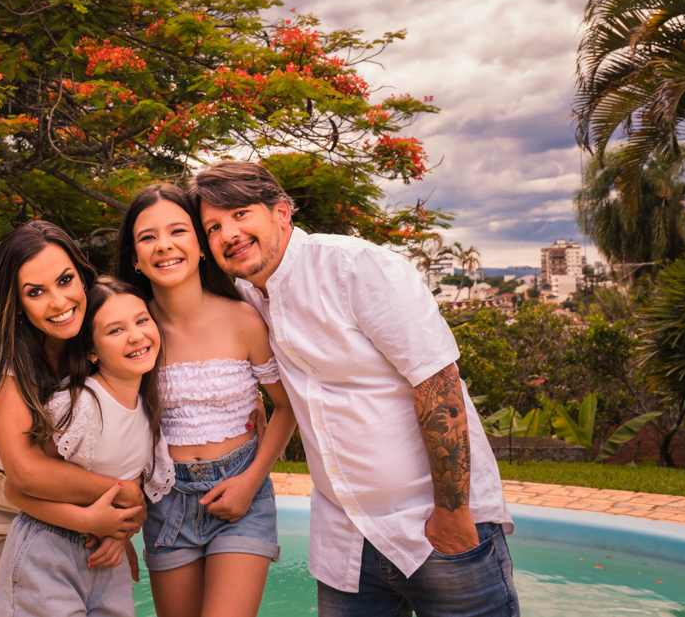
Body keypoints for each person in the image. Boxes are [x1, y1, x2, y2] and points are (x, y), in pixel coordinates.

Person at [188, 161, 519, 617]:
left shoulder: (354, 267)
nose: (228, 233)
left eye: (241, 213)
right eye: (213, 226)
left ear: (282, 213)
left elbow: (438, 383)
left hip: (434, 529)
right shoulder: (246, 300)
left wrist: (454, 516)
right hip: (345, 543)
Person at [0, 221, 147, 617]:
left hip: (71, 491)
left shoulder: (96, 326)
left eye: (65, 280)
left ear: (81, 274)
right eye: (35, 292)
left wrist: (116, 524)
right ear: (15, 302)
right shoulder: (1, 350)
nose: (58, 302)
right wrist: (121, 498)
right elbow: (24, 474)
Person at [116, 184, 298, 617]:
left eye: (178, 230)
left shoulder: (243, 318)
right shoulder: (132, 332)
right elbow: (112, 420)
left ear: (200, 245)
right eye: (147, 237)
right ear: (136, 259)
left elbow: (286, 406)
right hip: (165, 498)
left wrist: (250, 481)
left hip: (241, 491)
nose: (164, 246)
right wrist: (118, 522)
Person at [0, 276, 175, 617]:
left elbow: (131, 498)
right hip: (48, 551)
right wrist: (87, 520)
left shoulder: (149, 411)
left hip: (106, 557)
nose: (135, 335)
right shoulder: (80, 406)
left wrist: (119, 533)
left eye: (141, 320)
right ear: (91, 350)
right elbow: (16, 489)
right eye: (115, 330)